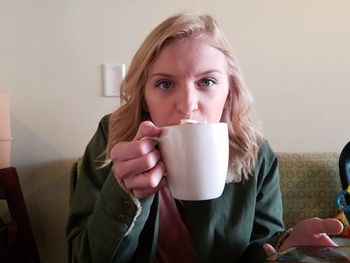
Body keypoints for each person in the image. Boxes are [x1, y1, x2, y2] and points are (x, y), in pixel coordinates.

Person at [66, 12, 343, 263]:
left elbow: (260, 248)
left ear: (228, 94)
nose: (187, 104)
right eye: (165, 84)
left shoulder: (255, 153)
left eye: (207, 82)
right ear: (144, 97)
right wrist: (122, 194)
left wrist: (286, 246)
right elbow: (81, 256)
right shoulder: (114, 138)